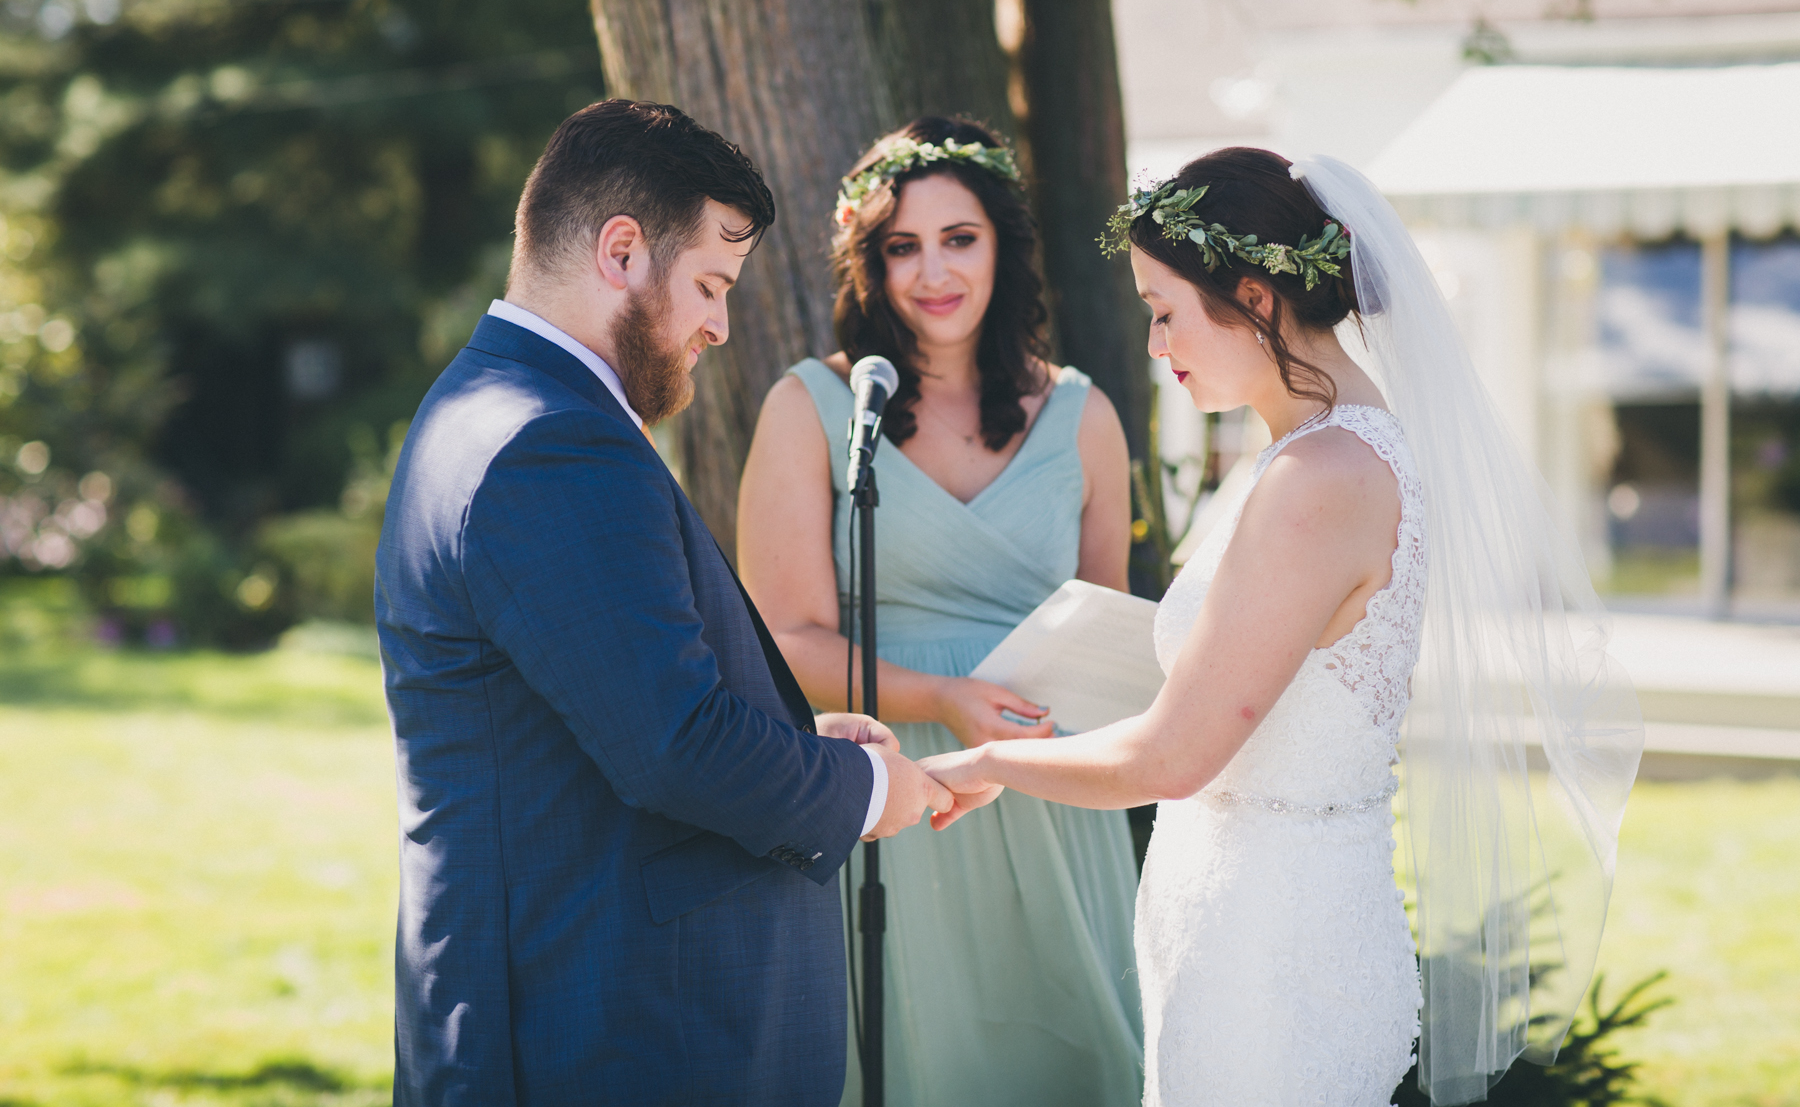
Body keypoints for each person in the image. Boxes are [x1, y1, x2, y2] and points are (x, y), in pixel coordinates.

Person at [921, 149, 1643, 1106]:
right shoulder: (1321, 452)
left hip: (1271, 955)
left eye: (1164, 309)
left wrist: (984, 764)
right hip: (1260, 917)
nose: (1154, 343)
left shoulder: (1317, 481)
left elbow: (1174, 759)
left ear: (1255, 301)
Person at [374, 99, 979, 1106]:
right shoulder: (548, 443)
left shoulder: (499, 407)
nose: (719, 324)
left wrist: (798, 736)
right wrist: (873, 795)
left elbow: (605, 703)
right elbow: (672, 747)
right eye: (710, 283)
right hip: (606, 1028)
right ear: (622, 251)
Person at [737, 117, 1145, 1107]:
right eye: (902, 246)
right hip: (889, 792)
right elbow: (783, 644)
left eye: (959, 238)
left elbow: (1113, 628)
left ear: (1002, 242)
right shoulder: (812, 409)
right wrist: (946, 698)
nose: (934, 272)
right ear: (868, 261)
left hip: (1051, 802)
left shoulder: (1084, 416)